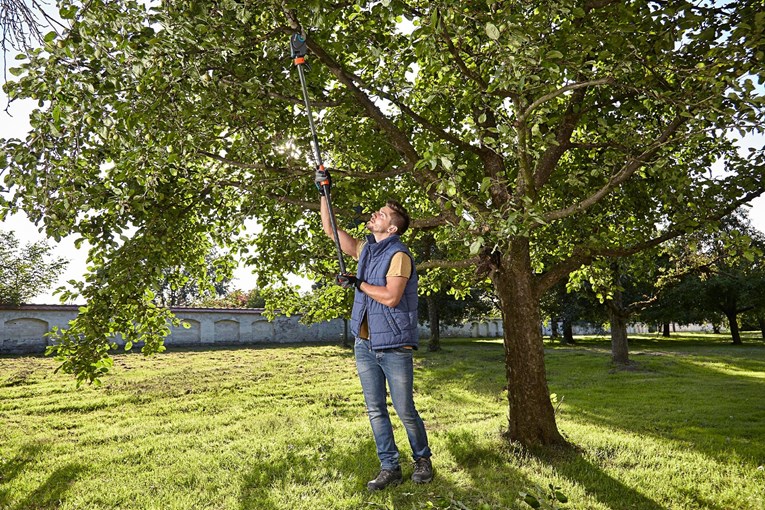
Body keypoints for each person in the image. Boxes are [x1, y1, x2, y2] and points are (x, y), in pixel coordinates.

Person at [315, 168, 433, 491]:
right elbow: (330, 229)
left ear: (392, 227)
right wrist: (325, 192)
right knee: (375, 409)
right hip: (365, 345)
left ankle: (422, 459)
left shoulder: (399, 255)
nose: (375, 215)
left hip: (394, 346)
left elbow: (392, 297)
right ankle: (389, 467)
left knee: (405, 409)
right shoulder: (367, 249)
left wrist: (359, 283)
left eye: (381, 214)